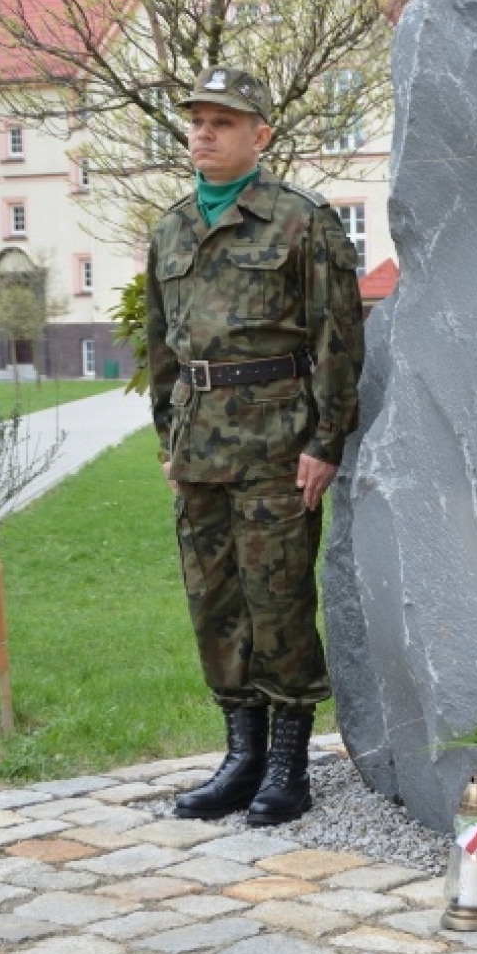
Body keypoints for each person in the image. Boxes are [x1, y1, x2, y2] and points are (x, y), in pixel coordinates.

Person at [145, 66, 365, 827]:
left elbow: (338, 338)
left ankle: (287, 765)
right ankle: (239, 755)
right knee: (214, 602)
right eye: (197, 121)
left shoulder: (302, 221)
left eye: (223, 122)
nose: (204, 133)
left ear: (260, 136)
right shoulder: (170, 228)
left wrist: (325, 439)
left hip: (277, 440)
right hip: (199, 443)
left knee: (278, 602)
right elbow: (161, 346)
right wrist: (169, 439)